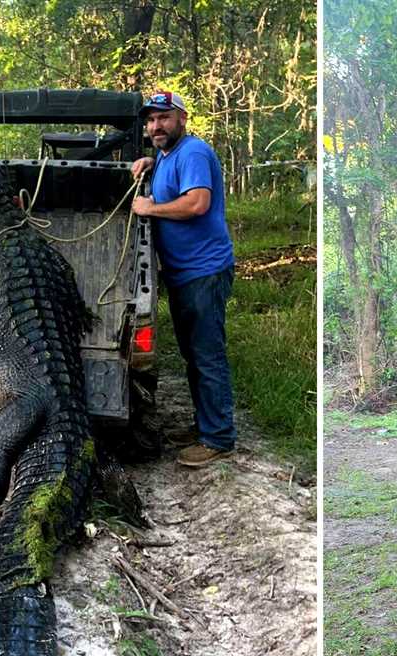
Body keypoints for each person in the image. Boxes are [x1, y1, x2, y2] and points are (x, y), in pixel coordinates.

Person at [129, 90, 236, 469]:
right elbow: (170, 173)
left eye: (164, 118)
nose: (156, 126)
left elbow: (197, 202)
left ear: (182, 118)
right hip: (183, 272)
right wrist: (149, 162)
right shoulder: (167, 154)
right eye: (151, 120)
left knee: (207, 355)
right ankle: (204, 425)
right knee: (193, 354)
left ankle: (218, 438)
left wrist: (150, 208)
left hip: (203, 271)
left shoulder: (192, 152)